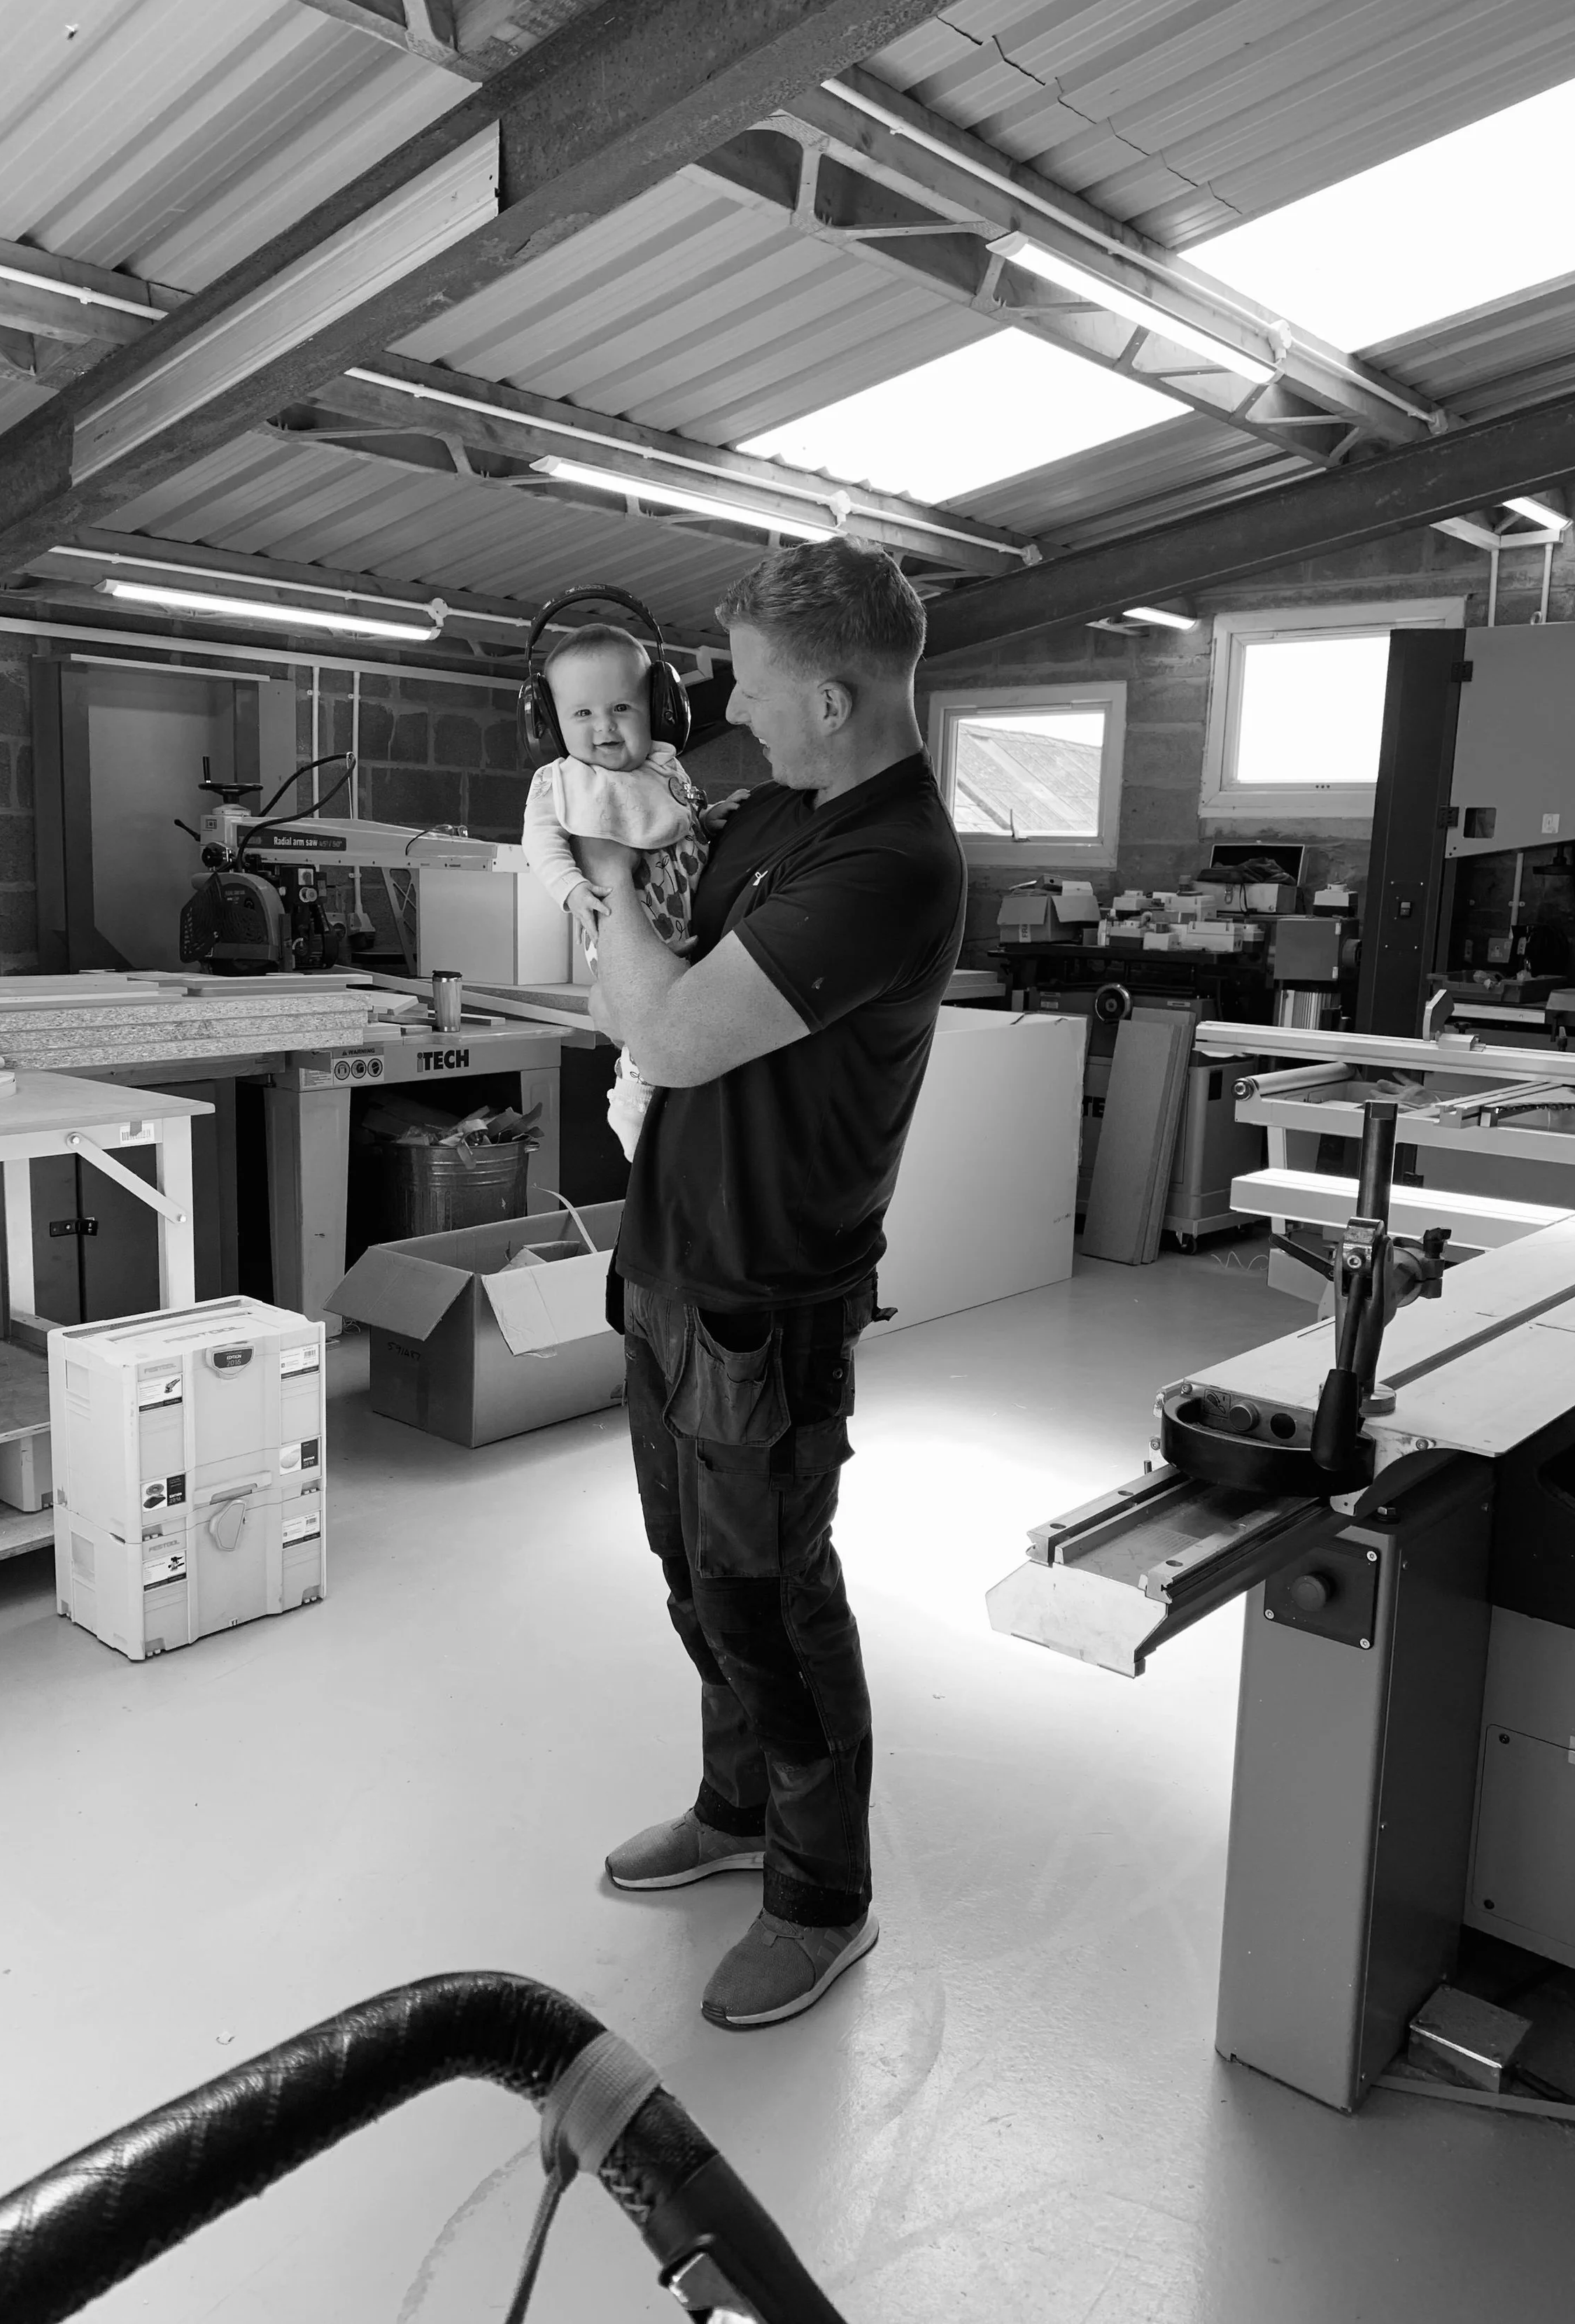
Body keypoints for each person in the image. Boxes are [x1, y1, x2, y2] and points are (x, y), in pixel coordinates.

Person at [574, 537, 968, 2029]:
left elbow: (664, 1031)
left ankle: (819, 1895)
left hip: (767, 1288)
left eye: (748, 681)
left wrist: (604, 886)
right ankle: (734, 1806)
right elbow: (652, 962)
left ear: (834, 696)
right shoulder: (770, 815)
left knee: (769, 1595)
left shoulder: (888, 862)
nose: (722, 708)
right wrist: (622, 866)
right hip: (669, 1257)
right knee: (692, 1571)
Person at [520, 622, 744, 1159]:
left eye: (622, 707)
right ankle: (633, 1099)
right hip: (620, 922)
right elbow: (540, 843)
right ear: (551, 723)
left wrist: (707, 820)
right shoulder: (562, 782)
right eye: (583, 714)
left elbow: (678, 819)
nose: (605, 727)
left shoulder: (664, 765)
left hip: (683, 920)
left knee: (683, 1019)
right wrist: (572, 889)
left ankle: (667, 1102)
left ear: (658, 707)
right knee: (644, 1018)